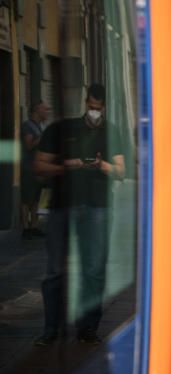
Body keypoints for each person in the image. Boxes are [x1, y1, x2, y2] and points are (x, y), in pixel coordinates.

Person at [33, 84, 125, 346]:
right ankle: (51, 329)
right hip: (63, 207)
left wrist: (101, 165)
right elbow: (39, 166)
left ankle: (88, 328)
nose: (94, 112)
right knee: (55, 271)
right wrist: (67, 166)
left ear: (104, 107)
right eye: (91, 107)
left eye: (98, 108)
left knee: (93, 270)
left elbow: (121, 170)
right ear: (85, 103)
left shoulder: (111, 131)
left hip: (98, 207)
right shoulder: (61, 129)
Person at [20, 101, 50, 239]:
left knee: (37, 199)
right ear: (37, 110)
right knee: (27, 199)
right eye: (45, 109)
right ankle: (26, 228)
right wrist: (42, 138)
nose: (47, 112)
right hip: (28, 168)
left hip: (39, 168)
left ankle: (34, 226)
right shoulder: (27, 126)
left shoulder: (40, 126)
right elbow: (28, 145)